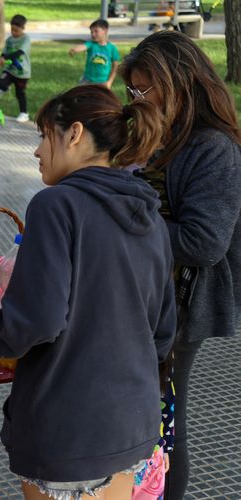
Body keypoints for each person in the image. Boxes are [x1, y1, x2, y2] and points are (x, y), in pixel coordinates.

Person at [0, 84, 177, 500]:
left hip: (68, 427)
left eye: (43, 136)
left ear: (74, 134)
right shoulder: (147, 210)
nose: (37, 151)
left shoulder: (55, 205)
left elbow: (36, 321)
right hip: (131, 424)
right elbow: (163, 329)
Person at [120, 30, 241, 499]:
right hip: (138, 300)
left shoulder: (214, 149)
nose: (136, 100)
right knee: (139, 416)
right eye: (132, 90)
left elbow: (203, 242)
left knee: (163, 423)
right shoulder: (158, 136)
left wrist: (118, 231)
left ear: (181, 84)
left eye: (144, 90)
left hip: (179, 310)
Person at [0, 14, 31, 123]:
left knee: (20, 93)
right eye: (12, 30)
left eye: (16, 30)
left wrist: (5, 57)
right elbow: (5, 51)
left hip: (22, 72)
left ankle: (24, 114)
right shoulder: (9, 40)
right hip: (9, 70)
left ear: (23, 28)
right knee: (1, 83)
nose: (13, 32)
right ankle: (5, 87)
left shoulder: (26, 39)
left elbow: (19, 52)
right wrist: (1, 59)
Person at [68, 19, 120, 88]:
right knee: (79, 95)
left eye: (96, 31)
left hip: (103, 82)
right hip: (87, 80)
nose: (93, 34)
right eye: (91, 32)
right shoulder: (91, 44)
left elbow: (115, 66)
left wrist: (110, 81)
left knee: (100, 98)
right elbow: (83, 46)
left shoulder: (112, 48)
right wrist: (74, 49)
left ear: (105, 30)